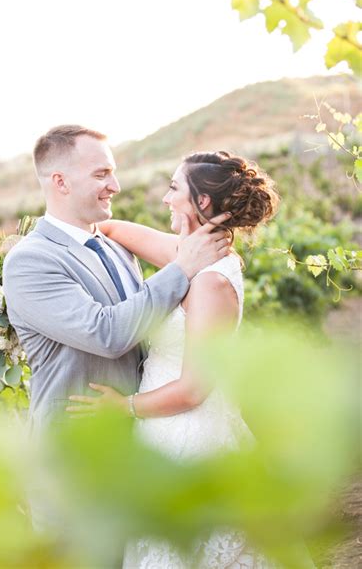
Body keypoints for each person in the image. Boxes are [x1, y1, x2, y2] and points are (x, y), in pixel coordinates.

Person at [66, 150, 280, 568]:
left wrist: (123, 406)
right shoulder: (188, 254)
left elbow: (195, 388)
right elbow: (110, 228)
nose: (165, 199)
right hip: (163, 432)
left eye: (173, 188)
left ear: (202, 202)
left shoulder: (212, 282)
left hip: (191, 439)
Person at [2, 125, 230, 436]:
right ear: (61, 182)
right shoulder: (30, 261)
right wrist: (182, 267)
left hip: (143, 441)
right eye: (101, 174)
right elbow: (105, 334)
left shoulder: (116, 246)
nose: (116, 186)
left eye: (114, 173)